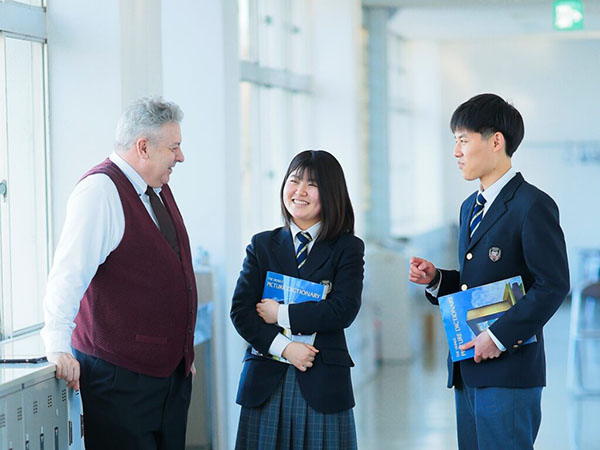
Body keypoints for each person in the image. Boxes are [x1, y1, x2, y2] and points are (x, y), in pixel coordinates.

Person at [409, 93, 569, 450]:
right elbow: (475, 283)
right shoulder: (470, 207)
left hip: (509, 368)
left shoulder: (532, 205)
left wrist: (496, 337)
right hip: (469, 365)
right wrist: (437, 279)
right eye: (455, 141)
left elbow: (553, 285)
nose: (456, 152)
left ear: (496, 141)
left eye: (463, 140)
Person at [41, 97, 197, 450]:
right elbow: (67, 274)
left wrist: (180, 354)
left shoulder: (157, 189)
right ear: (143, 147)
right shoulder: (100, 192)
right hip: (120, 380)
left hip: (167, 378)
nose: (181, 157)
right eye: (174, 147)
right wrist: (56, 344)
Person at [230, 150, 364, 449]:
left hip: (322, 380)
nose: (299, 191)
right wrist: (286, 348)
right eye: (294, 180)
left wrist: (280, 314)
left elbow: (342, 310)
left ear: (331, 193)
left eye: (312, 184)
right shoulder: (262, 244)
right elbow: (241, 311)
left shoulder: (347, 248)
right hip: (265, 379)